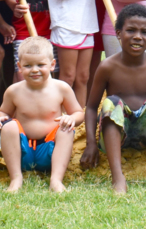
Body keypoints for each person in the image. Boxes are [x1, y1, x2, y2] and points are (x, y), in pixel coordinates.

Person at [80, 4, 146, 193]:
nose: (138, 36)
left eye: (144, 32)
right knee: (111, 101)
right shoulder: (107, 67)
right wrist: (90, 144)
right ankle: (118, 177)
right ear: (119, 33)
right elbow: (91, 108)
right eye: (131, 30)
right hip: (118, 134)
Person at [0, 36, 84, 192]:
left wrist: (71, 118)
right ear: (19, 66)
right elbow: (4, 111)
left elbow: (79, 113)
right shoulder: (14, 91)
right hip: (22, 152)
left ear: (52, 65)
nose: (34, 70)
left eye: (40, 64)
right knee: (9, 126)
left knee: (65, 128)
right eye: (28, 65)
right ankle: (16, 178)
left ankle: (56, 180)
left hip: (50, 151)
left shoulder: (61, 88)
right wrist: (1, 118)